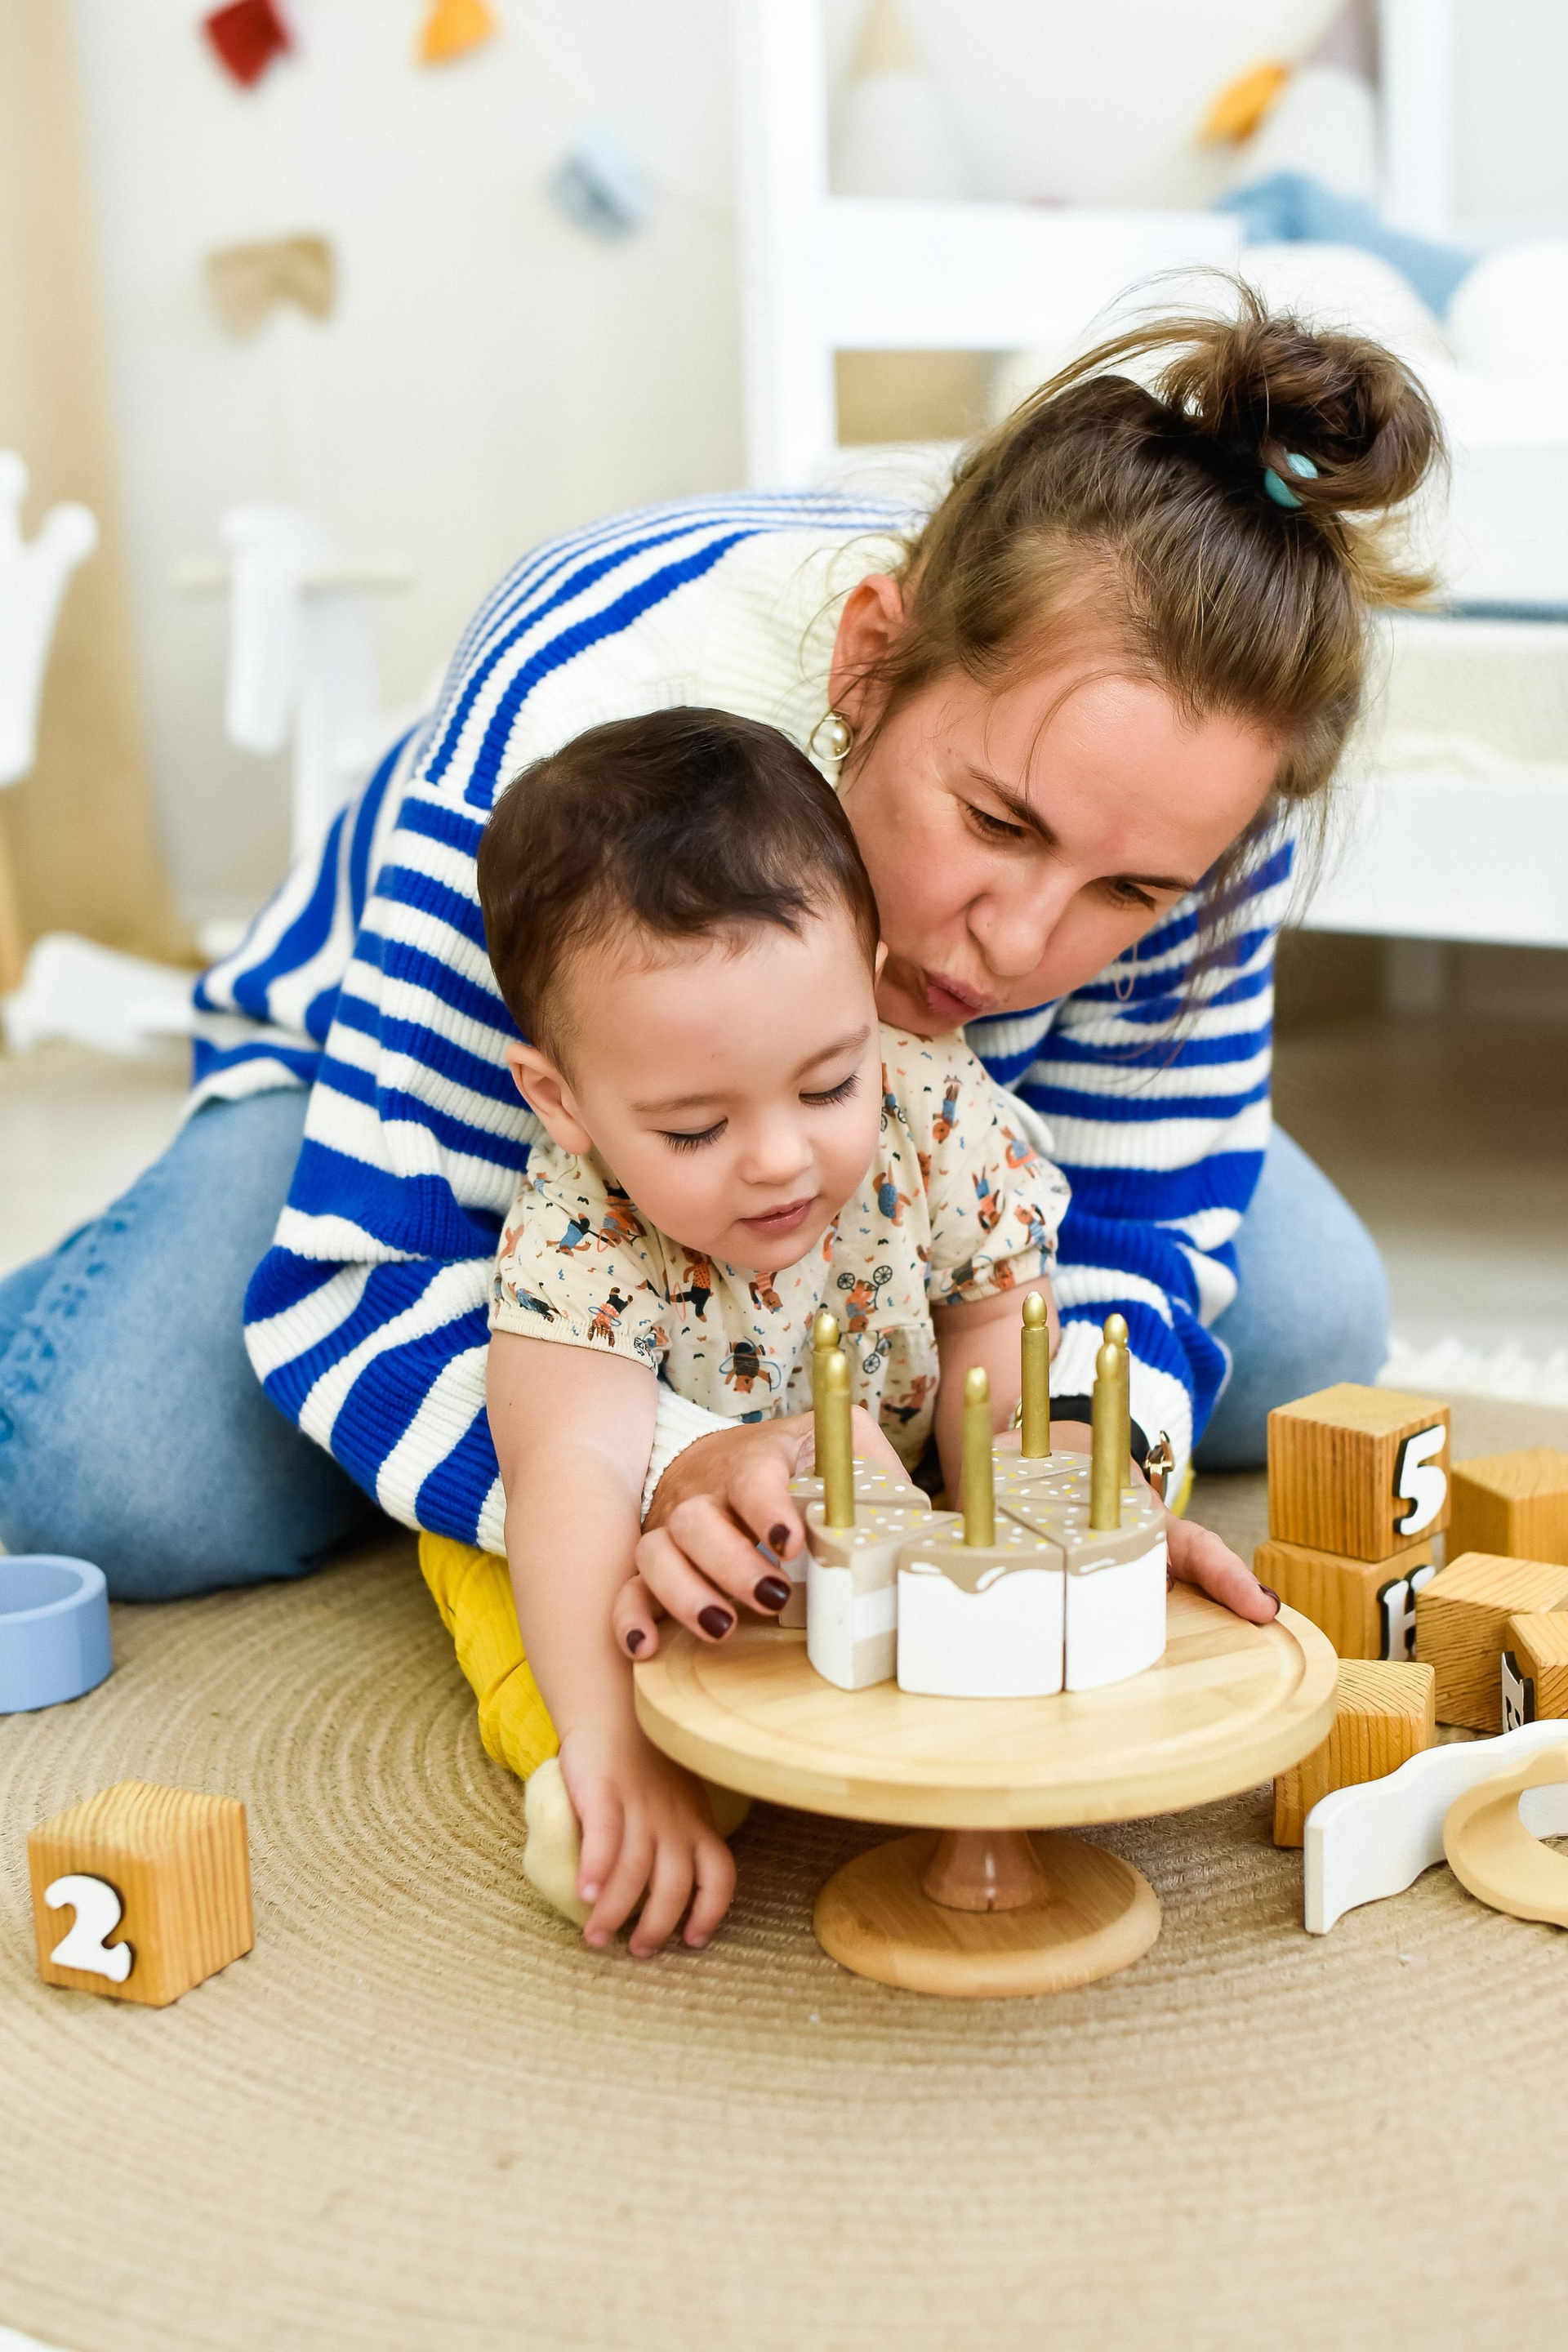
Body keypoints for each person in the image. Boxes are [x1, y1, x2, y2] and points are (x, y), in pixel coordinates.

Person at [0, 293, 1439, 1605]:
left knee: (1311, 1325)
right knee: (123, 1475)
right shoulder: (581, 692)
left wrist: (1071, 1482)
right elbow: (378, 1260)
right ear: (868, 662)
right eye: (997, 822)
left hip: (927, 1154)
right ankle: (556, 1390)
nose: (1015, 944)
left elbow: (1125, 1221)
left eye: (1127, 891)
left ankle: (645, 1384)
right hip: (447, 1091)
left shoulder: (1205, 801)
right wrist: (660, 1466)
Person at [480, 705, 1073, 1952]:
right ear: (561, 1099)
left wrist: (1024, 1528)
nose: (780, 1160)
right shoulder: (581, 1221)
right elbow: (567, 1472)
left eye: (828, 1082)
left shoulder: (934, 1111)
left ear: (869, 988)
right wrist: (612, 1741)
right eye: (695, 1128)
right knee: (551, 1647)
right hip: (633, 1538)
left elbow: (1001, 1340)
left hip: (857, 1512)